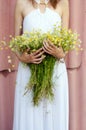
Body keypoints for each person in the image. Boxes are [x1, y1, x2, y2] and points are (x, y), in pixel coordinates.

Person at [13, 0, 69, 130]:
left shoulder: (63, 3)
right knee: (29, 110)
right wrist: (23, 57)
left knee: (54, 113)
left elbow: (66, 43)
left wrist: (60, 53)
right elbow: (15, 42)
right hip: (29, 71)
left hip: (55, 70)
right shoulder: (21, 3)